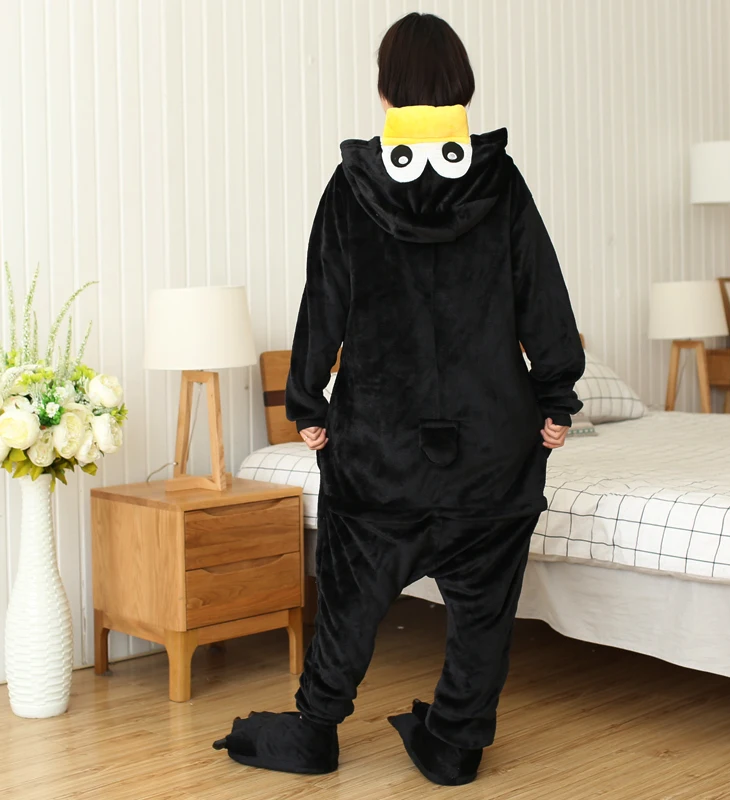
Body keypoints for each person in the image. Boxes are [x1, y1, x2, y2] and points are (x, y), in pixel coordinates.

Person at [213, 11, 584, 786]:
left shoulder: (353, 186)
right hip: (492, 444)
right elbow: (542, 296)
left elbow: (323, 303)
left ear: (384, 92)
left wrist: (307, 405)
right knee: (483, 607)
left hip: (380, 445)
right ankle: (454, 745)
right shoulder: (501, 182)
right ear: (463, 89)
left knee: (352, 594)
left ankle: (316, 728)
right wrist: (555, 400)